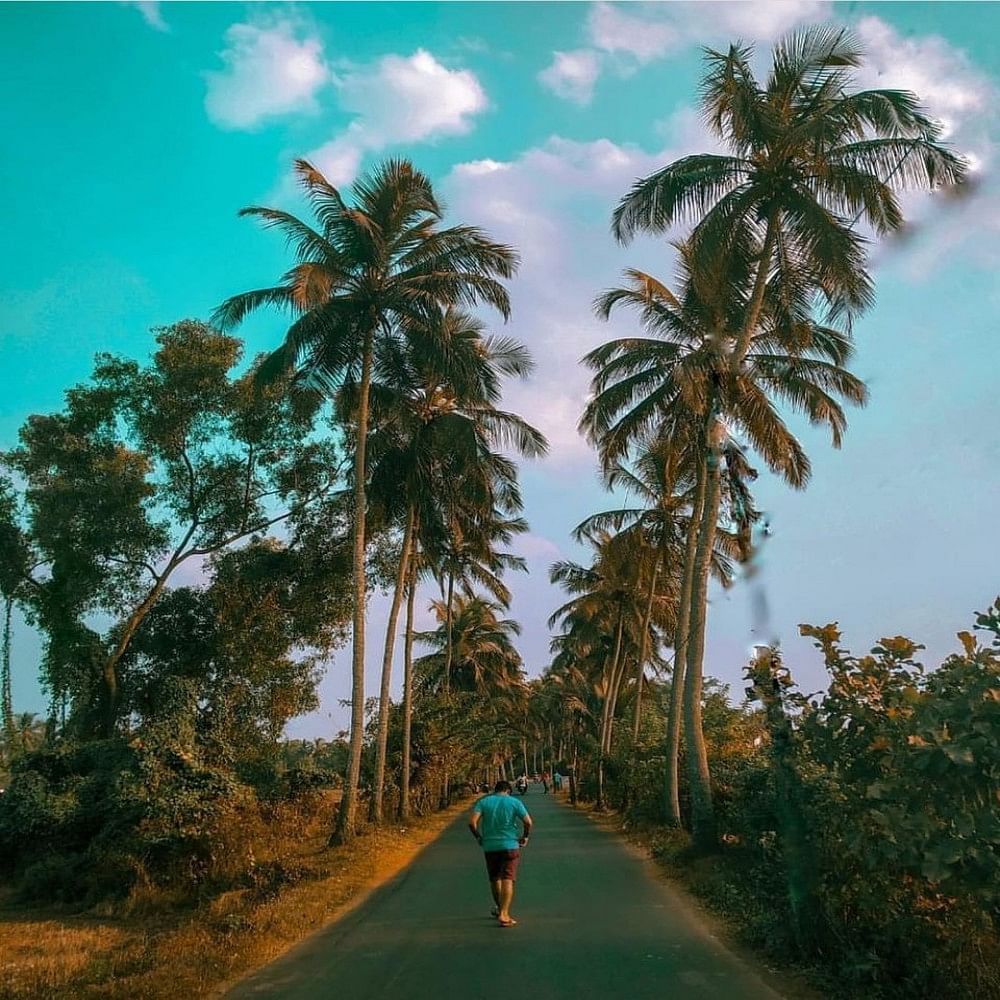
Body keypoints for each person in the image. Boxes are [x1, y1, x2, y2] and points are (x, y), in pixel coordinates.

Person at [469, 779, 533, 927]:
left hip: (490, 846)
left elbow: (472, 822)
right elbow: (528, 822)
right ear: (508, 790)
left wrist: (479, 837)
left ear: (495, 790)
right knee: (508, 879)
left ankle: (500, 908)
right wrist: (525, 836)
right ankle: (504, 914)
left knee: (494, 878)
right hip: (510, 845)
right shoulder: (514, 802)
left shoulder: (484, 802)